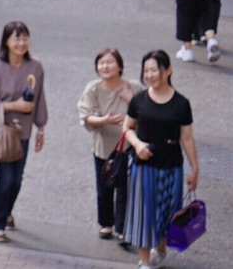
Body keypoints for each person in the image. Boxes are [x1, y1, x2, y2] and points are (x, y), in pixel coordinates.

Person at [121, 50, 199, 267]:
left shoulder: (181, 104)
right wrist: (137, 144)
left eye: (154, 70)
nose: (149, 75)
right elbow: (127, 127)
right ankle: (144, 262)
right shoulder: (139, 100)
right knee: (142, 215)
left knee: (167, 215)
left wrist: (195, 169)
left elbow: (187, 138)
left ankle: (161, 247)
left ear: (168, 70)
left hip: (171, 167)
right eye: (146, 71)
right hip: (143, 166)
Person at [0, 21, 48, 242]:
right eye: (16, 38)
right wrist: (12, 106)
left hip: (24, 132)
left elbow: (40, 98)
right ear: (6, 41)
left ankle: (7, 212)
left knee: (17, 179)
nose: (21, 43)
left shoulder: (36, 67)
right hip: (0, 132)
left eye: (25, 38)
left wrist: (41, 128)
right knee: (5, 177)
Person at [78, 48, 140, 247]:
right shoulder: (93, 89)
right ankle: (106, 224)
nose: (105, 66)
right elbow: (86, 116)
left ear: (120, 66)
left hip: (128, 146)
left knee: (125, 189)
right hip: (103, 146)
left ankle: (122, 228)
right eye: (101, 63)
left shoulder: (134, 87)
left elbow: (148, 112)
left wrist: (131, 99)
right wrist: (104, 119)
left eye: (110, 62)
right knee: (104, 187)